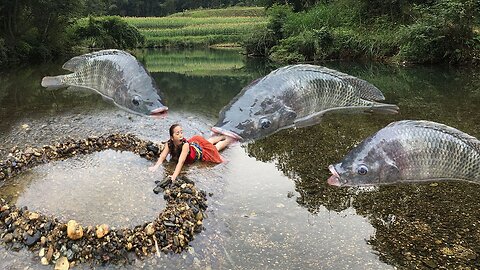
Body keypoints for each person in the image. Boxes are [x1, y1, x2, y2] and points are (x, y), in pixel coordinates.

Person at [148, 124, 234, 181]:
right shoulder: (169, 143)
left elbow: (180, 162)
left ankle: (227, 138)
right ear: (172, 137)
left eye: (181, 132)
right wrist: (155, 167)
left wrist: (174, 176)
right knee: (208, 142)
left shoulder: (185, 145)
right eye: (177, 134)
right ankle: (220, 135)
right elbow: (163, 156)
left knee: (215, 148)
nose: (181, 135)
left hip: (199, 152)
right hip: (195, 143)